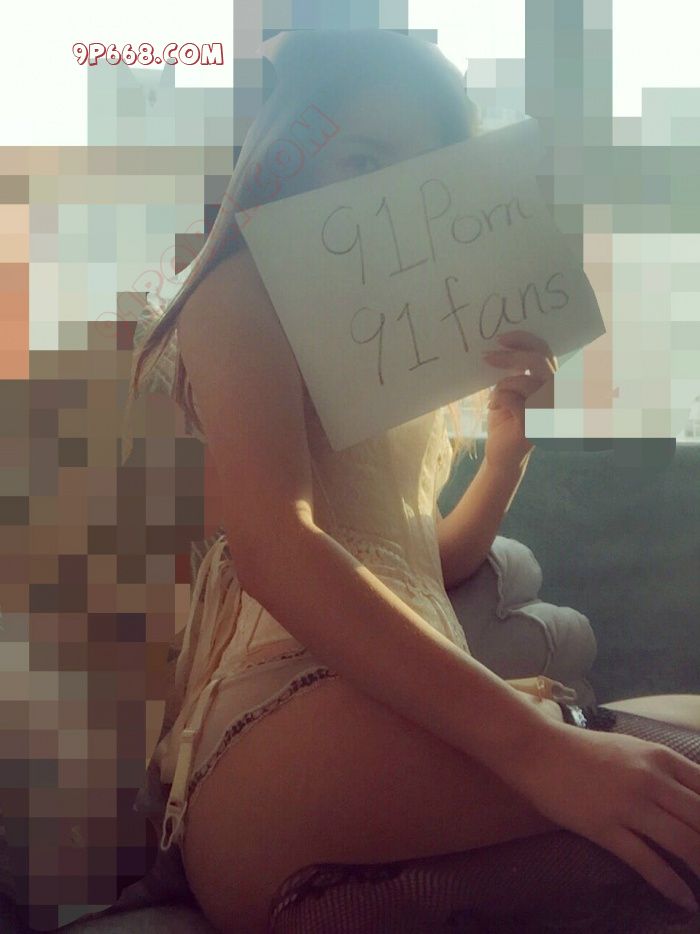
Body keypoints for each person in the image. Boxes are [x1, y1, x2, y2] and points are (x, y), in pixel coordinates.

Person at [121, 28, 700, 934]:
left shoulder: (390, 379)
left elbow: (424, 563)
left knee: (647, 849)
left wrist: (505, 448)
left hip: (381, 763)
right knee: (666, 788)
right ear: (286, 162)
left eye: (420, 173)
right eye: (361, 159)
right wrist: (539, 749)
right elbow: (275, 543)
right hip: (284, 726)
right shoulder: (241, 290)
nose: (388, 199)